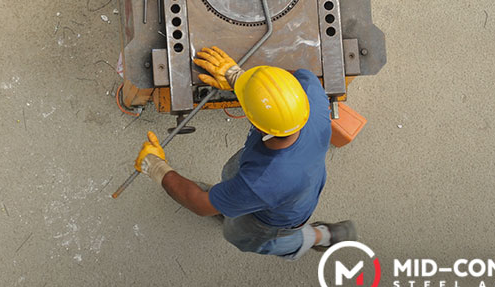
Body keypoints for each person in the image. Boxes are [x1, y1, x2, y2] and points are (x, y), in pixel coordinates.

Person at [134, 46, 355, 260]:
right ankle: (229, 202)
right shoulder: (310, 91)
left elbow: (199, 204)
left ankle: (320, 236)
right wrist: (240, 78)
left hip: (273, 218)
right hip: (291, 179)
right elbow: (288, 79)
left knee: (242, 235)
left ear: (259, 126)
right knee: (231, 177)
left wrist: (156, 167)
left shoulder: (263, 180)